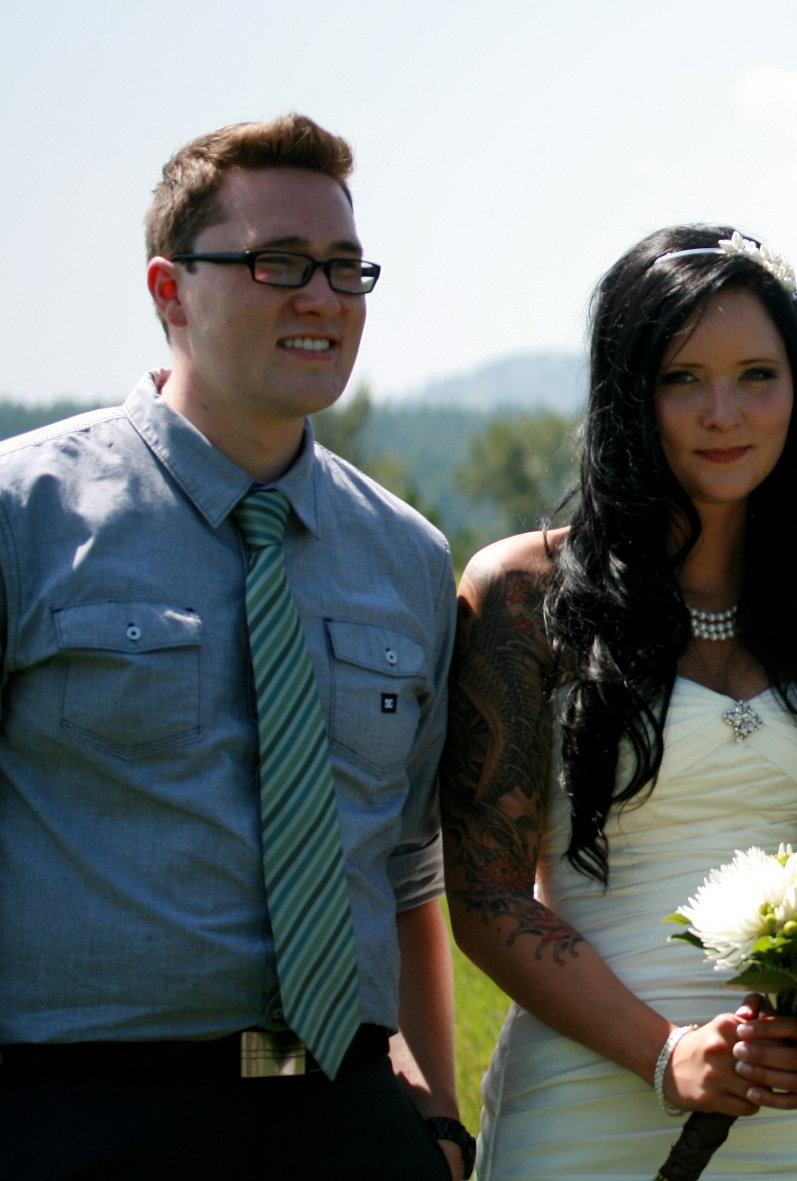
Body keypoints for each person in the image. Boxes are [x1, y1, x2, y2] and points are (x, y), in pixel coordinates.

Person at [0, 114, 467, 1179]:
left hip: (346, 1117)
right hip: (76, 1117)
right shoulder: (25, 515)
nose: (322, 298)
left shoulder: (407, 557)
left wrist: (439, 1121)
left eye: (345, 268)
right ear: (170, 291)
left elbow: (408, 864)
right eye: (279, 263)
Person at [441, 225, 797, 1180]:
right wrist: (665, 1054)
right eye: (682, 378)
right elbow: (487, 895)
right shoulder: (526, 595)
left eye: (757, 375)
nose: (722, 412)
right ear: (627, 393)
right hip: (584, 1107)